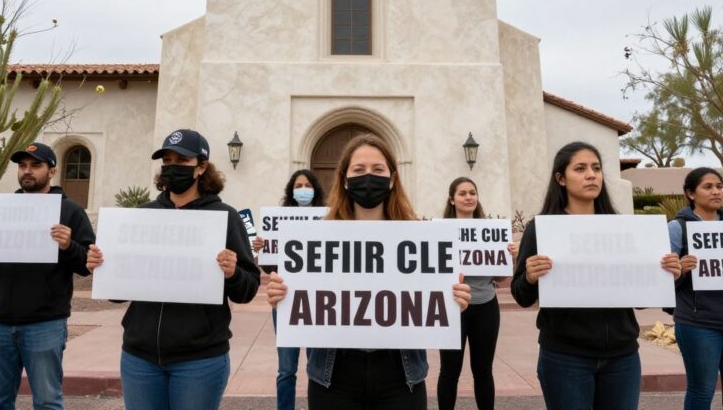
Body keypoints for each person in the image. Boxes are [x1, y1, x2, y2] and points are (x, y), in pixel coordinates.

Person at [267, 134, 472, 410]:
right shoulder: (317, 238)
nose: (368, 177)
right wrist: (283, 293)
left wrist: (451, 299)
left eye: (377, 170)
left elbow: (429, 302)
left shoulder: (419, 237)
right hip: (333, 374)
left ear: (391, 179)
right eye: (359, 170)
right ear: (344, 178)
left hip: (401, 374)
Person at [86, 129, 260, 410]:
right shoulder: (142, 216)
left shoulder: (224, 216)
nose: (172, 167)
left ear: (202, 167)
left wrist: (233, 272)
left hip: (200, 361)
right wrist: (103, 268)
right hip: (139, 358)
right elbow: (118, 295)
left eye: (182, 160)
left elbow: (248, 289)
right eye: (167, 160)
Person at [511, 141, 681, 410]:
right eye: (580, 168)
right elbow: (520, 295)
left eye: (596, 168)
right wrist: (530, 277)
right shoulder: (541, 228)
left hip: (622, 356)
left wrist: (663, 275)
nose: (591, 175)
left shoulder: (623, 228)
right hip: (565, 357)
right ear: (561, 178)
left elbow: (637, 300)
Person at [0, 142, 95, 410]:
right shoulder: (1, 209)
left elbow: (87, 264)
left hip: (45, 323)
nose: (27, 171)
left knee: (47, 402)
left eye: (35, 165)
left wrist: (69, 246)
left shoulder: (71, 212)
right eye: (22, 166)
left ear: (52, 171)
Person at [437, 177, 518, 410]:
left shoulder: (491, 231)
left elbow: (500, 279)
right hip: (452, 307)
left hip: (485, 306)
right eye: (462, 193)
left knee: (483, 371)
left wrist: (507, 258)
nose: (469, 197)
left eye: (473, 192)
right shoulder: (440, 230)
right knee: (449, 371)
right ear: (452, 199)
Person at [251, 169, 326, 410]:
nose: (303, 189)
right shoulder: (278, 220)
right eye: (298, 185)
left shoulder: (330, 218)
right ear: (291, 191)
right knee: (286, 369)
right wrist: (263, 249)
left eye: (307, 184)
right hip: (285, 301)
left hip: (318, 302)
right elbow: (271, 269)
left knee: (317, 367)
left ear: (315, 188)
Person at [667, 167, 723, 409]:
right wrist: (680, 269)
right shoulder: (677, 228)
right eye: (708, 187)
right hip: (697, 323)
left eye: (719, 186)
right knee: (702, 391)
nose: (716, 191)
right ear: (690, 193)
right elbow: (662, 280)